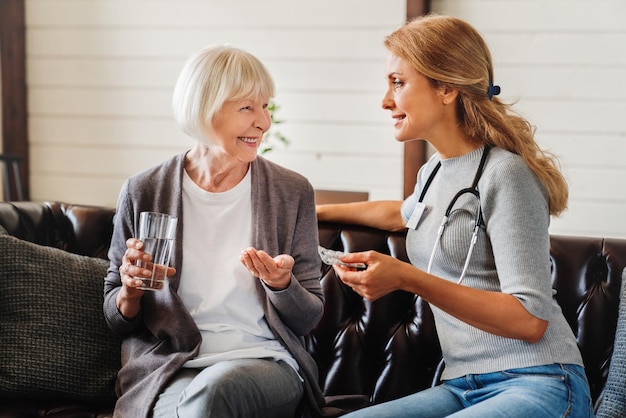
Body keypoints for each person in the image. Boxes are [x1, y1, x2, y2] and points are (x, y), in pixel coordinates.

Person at [317, 14, 594, 418]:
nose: (385, 100)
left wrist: (405, 276)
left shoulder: (506, 174)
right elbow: (402, 212)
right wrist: (314, 210)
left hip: (540, 380)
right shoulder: (434, 172)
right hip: (461, 385)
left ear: (446, 88)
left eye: (398, 83)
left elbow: (530, 320)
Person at [103, 45, 325, 418]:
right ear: (204, 109)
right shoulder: (143, 190)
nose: (264, 123)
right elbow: (115, 317)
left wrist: (281, 285)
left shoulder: (292, 191)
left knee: (212, 394)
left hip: (264, 364)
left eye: (265, 107)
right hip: (169, 370)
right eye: (247, 108)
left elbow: (308, 318)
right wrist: (130, 290)